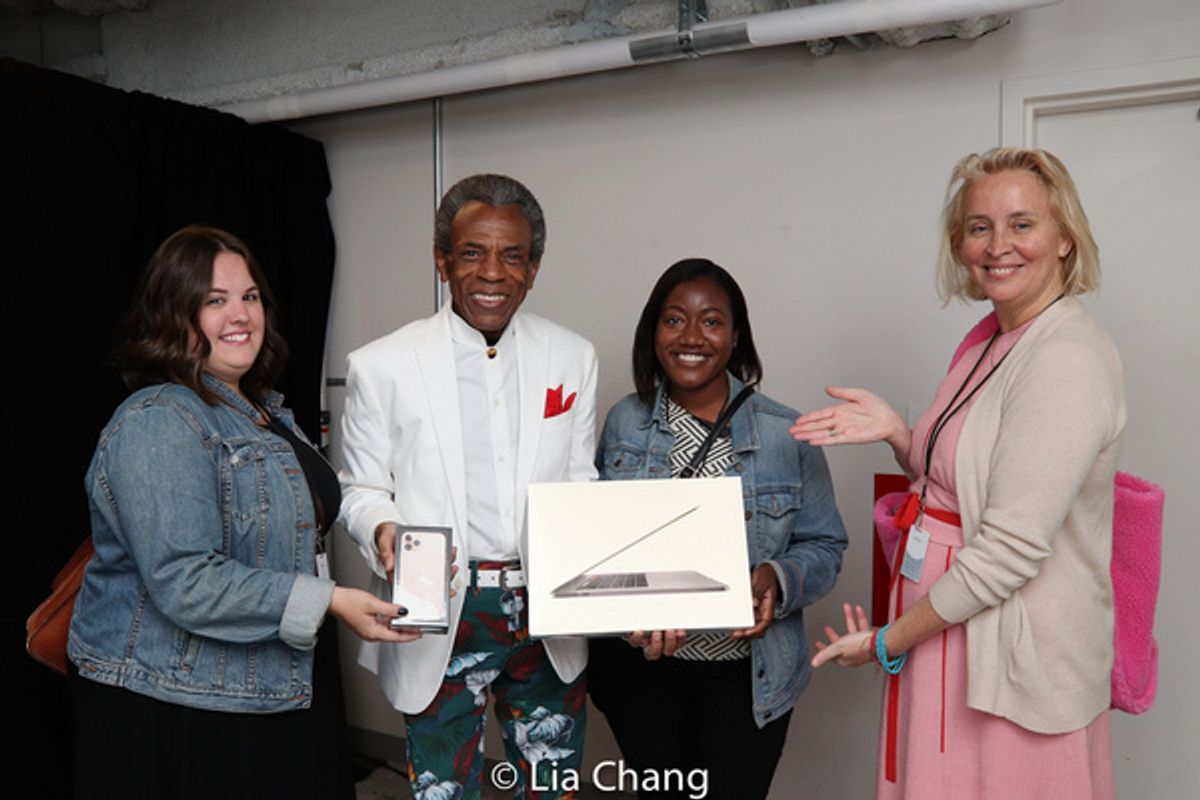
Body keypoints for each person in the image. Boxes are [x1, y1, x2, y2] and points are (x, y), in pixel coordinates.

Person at [791, 147, 1124, 798]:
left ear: (1064, 239)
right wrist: (898, 432)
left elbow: (1007, 551)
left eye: (1022, 223)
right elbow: (966, 479)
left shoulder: (1066, 360)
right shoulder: (994, 337)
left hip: (1010, 659)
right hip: (951, 636)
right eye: (979, 227)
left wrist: (888, 641)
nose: (999, 245)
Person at [67, 226, 415, 800]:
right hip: (183, 701)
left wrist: (378, 531)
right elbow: (186, 582)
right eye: (214, 299)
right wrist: (328, 600)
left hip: (271, 681)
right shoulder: (160, 419)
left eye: (249, 296)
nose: (241, 314)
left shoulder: (262, 410)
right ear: (172, 313)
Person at [338, 174, 597, 799]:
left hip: (547, 610)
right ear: (443, 261)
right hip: (440, 611)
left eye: (513, 255)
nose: (493, 273)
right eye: (473, 253)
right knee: (445, 791)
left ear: (533, 269)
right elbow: (360, 487)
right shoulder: (380, 366)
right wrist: (384, 531)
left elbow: (581, 483)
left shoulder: (573, 356)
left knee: (553, 787)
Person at [588, 258, 848, 800]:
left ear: (735, 339)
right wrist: (624, 607)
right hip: (642, 670)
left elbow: (826, 544)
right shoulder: (624, 422)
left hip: (746, 676)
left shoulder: (787, 432)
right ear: (653, 332)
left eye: (711, 322)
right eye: (674, 319)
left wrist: (777, 578)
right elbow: (598, 541)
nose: (691, 337)